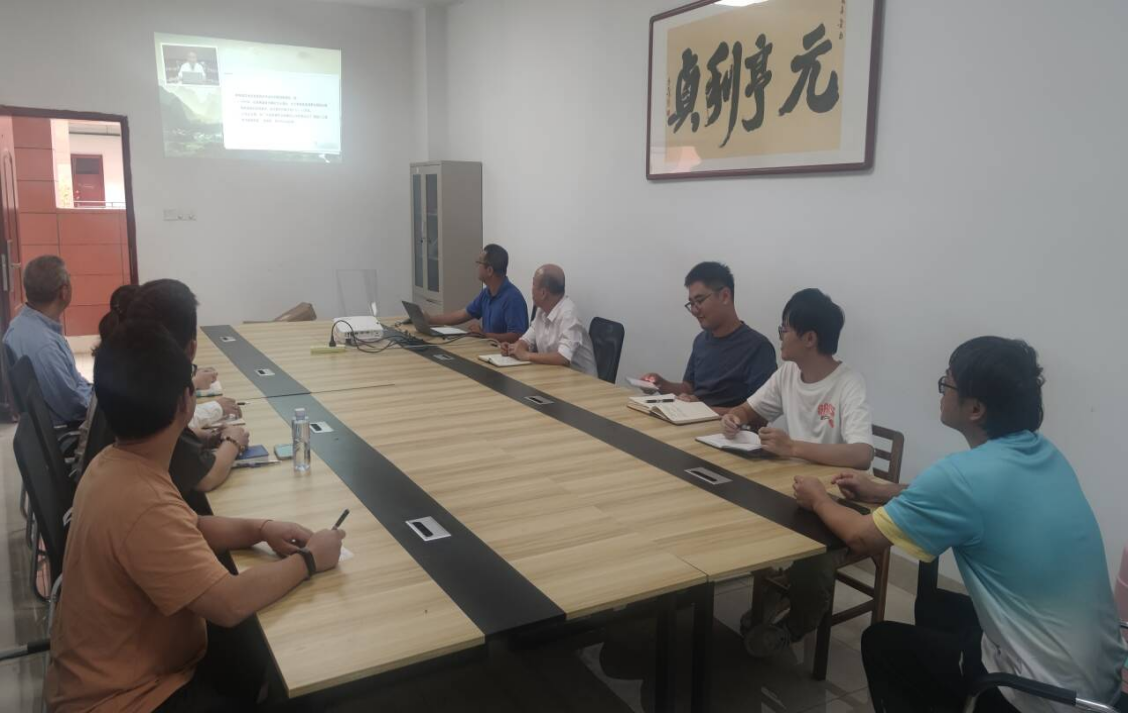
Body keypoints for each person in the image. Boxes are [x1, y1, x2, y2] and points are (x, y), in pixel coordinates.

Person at [791, 337, 1128, 713]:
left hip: (1040, 698)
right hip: (1101, 686)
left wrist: (817, 498)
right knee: (937, 609)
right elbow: (973, 498)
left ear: (975, 408)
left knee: (882, 642)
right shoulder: (1045, 454)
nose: (940, 393)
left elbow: (860, 537)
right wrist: (884, 490)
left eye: (946, 384)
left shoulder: (961, 477)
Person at [44, 320, 346, 712]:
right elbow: (228, 602)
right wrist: (310, 559)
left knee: (253, 646)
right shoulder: (143, 501)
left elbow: (190, 526)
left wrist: (261, 529)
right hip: (127, 699)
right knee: (296, 665)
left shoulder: (114, 463)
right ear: (185, 403)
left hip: (116, 673)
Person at [721, 288, 874, 656]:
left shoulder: (848, 382)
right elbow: (749, 409)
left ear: (809, 338)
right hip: (791, 488)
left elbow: (862, 454)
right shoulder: (789, 373)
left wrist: (793, 448)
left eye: (785, 329)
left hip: (835, 497)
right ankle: (781, 587)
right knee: (732, 508)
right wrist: (735, 418)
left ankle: (796, 624)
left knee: (815, 556)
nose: (780, 336)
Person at [78, 281, 249, 497]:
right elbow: (206, 478)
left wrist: (206, 437)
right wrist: (233, 441)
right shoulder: (151, 395)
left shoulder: (127, 371)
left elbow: (168, 441)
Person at [641, 261, 776, 414]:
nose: (694, 310)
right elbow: (688, 388)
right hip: (691, 421)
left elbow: (760, 414)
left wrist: (700, 410)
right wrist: (660, 383)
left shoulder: (758, 347)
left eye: (699, 301)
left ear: (725, 296)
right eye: (691, 303)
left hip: (726, 428)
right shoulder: (700, 341)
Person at [3, 256, 91, 426]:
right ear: (63, 291)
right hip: (67, 429)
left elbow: (73, 381)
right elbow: (74, 409)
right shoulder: (45, 346)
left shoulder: (21, 324)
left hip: (47, 423)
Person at [499, 264, 597, 376]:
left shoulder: (569, 315)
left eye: (533, 284)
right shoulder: (542, 311)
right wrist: (515, 348)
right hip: (555, 376)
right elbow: (526, 339)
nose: (531, 289)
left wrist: (526, 355)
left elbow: (563, 357)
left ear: (543, 293)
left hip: (582, 381)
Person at [425, 244, 529, 343]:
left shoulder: (513, 298)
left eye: (479, 263)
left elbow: (518, 336)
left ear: (489, 270)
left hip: (502, 353)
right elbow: (462, 314)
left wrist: (485, 335)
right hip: (488, 349)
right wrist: (429, 319)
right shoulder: (486, 293)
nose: (476, 266)